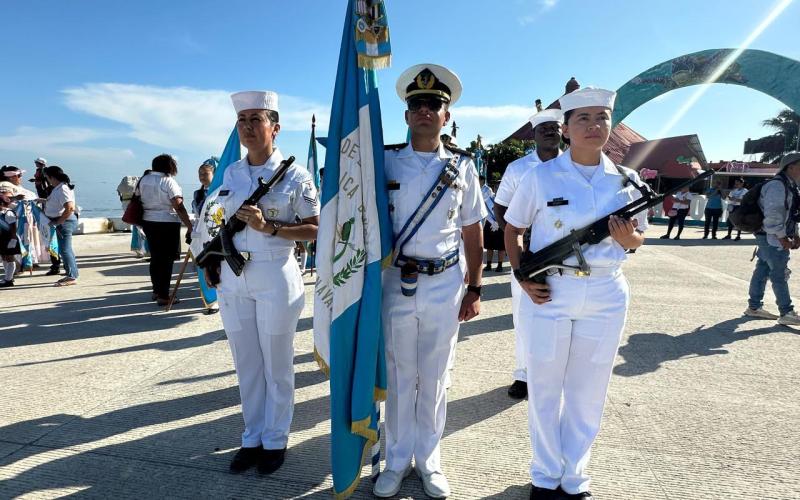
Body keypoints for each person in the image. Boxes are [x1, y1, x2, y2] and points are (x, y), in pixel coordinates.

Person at [504, 87, 647, 499]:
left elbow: (640, 239)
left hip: (605, 293)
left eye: (601, 117)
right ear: (565, 128)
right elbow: (513, 228)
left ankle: (575, 479)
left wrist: (628, 239)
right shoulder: (540, 177)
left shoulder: (627, 180)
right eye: (582, 118)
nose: (593, 126)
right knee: (546, 389)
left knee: (588, 392)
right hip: (552, 292)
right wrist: (519, 275)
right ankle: (546, 477)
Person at [375, 64, 485, 499]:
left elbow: (472, 230)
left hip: (444, 282)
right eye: (417, 104)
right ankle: (397, 459)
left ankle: (430, 460)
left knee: (436, 376)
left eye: (434, 105)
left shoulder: (462, 168)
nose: (425, 110)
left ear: (447, 116)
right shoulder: (383, 161)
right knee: (401, 374)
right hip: (395, 280)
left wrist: (475, 287)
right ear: (406, 116)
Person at [203, 90, 318, 475]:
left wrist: (270, 226)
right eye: (242, 120)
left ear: (275, 127)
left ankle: (275, 438)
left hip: (275, 275)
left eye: (256, 120)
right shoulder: (230, 174)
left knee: (277, 364)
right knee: (246, 364)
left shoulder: (295, 176)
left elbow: (315, 229)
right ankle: (251, 436)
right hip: (233, 281)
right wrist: (210, 259)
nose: (248, 128)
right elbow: (214, 221)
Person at [494, 108, 563, 400]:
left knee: (563, 315)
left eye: (555, 126)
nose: (549, 131)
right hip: (529, 254)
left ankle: (555, 375)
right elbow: (500, 207)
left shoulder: (577, 166)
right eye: (543, 127)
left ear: (564, 131)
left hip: (567, 255)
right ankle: (523, 375)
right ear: (533, 135)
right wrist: (517, 240)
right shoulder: (519, 169)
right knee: (524, 316)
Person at [744, 152, 800, 325]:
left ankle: (754, 307)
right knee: (779, 273)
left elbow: (790, 213)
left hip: (771, 235)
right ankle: (786, 312)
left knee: (762, 270)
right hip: (772, 237)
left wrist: (795, 233)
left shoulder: (790, 185)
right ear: (790, 166)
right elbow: (774, 214)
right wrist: (782, 237)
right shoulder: (777, 186)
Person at [137, 155, 193, 305]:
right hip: (167, 222)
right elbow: (178, 205)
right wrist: (189, 224)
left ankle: (156, 290)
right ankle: (164, 295)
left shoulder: (144, 180)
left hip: (149, 221)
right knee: (167, 260)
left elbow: (137, 198)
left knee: (155, 258)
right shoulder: (168, 181)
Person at [42, 166, 80, 286]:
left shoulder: (62, 188)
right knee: (65, 249)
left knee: (65, 249)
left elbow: (69, 207)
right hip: (63, 221)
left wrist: (59, 222)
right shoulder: (58, 188)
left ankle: (72, 276)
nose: (47, 180)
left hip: (65, 222)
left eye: (47, 178)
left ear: (52, 177)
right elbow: (57, 203)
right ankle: (71, 273)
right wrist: (43, 201)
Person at [192, 157, 219, 314]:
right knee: (204, 266)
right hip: (201, 235)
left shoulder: (220, 191)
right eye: (200, 173)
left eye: (205, 173)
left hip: (217, 233)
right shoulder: (197, 194)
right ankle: (211, 302)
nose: (202, 176)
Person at [31, 158, 62, 275]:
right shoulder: (57, 188)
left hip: (53, 218)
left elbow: (48, 199)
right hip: (54, 217)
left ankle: (56, 265)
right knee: (56, 241)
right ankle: (58, 264)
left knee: (53, 240)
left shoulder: (51, 188)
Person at [480, 175, 505, 272]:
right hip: (490, 222)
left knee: (501, 246)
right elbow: (485, 211)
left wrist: (498, 222)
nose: (497, 187)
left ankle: (500, 265)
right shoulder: (485, 193)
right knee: (489, 245)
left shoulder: (488, 191)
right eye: (497, 185)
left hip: (501, 222)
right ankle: (489, 264)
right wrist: (492, 221)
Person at [0, 194, 21, 287]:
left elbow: (13, 227)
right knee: (4, 257)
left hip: (9, 238)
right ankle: (8, 277)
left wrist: (13, 239)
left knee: (9, 258)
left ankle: (9, 280)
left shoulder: (8, 213)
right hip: (2, 239)